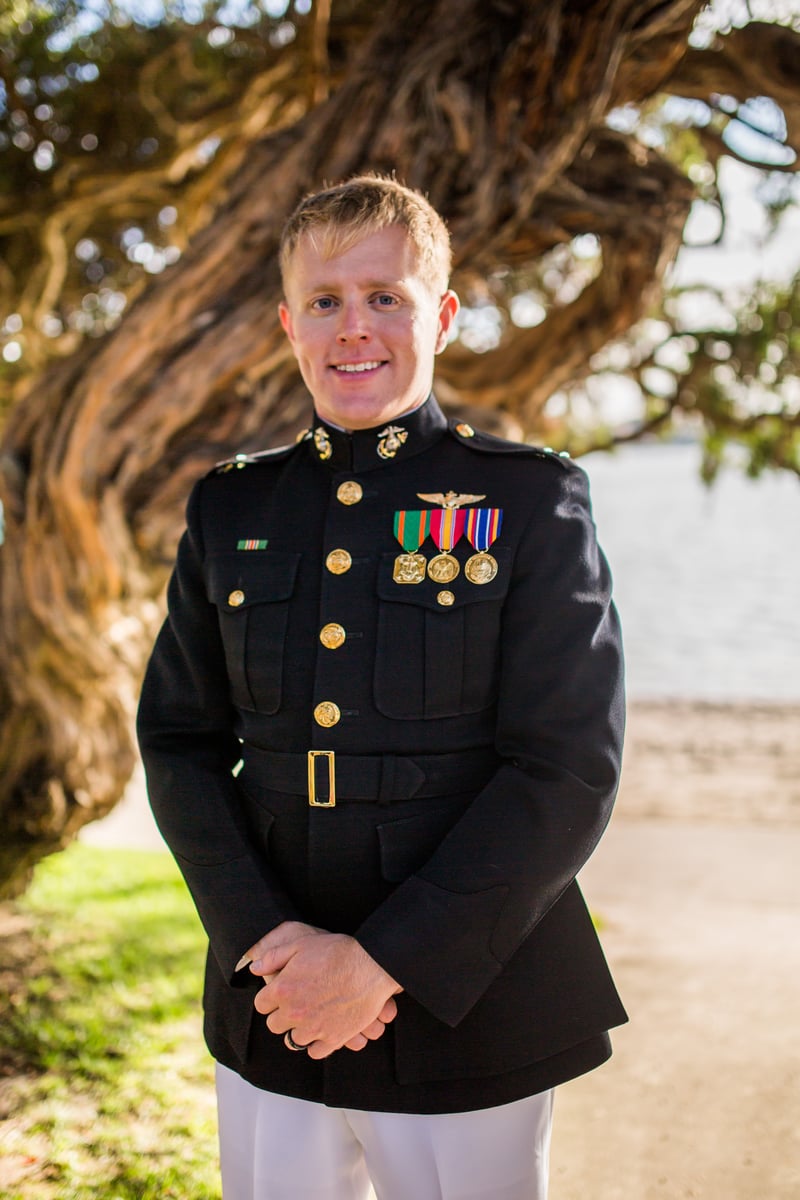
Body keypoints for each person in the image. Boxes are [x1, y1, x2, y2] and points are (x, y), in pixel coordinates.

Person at [137, 175, 627, 1200]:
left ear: (440, 317)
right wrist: (267, 944)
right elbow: (179, 740)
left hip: (470, 1003)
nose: (352, 327)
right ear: (289, 325)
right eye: (324, 300)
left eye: (385, 297)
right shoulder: (232, 509)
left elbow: (567, 766)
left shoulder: (527, 499)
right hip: (273, 1003)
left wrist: (381, 964)